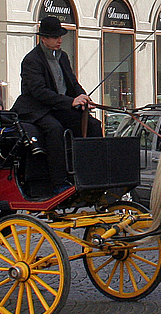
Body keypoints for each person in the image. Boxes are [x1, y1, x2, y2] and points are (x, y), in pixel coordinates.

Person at [11, 16, 102, 191]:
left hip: (59, 106)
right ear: (43, 38)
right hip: (37, 109)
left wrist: (83, 97)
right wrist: (70, 101)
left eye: (60, 36)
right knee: (55, 129)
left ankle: (92, 173)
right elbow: (39, 92)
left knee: (93, 125)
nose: (59, 40)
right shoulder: (32, 60)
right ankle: (58, 182)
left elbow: (72, 83)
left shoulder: (62, 57)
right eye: (55, 37)